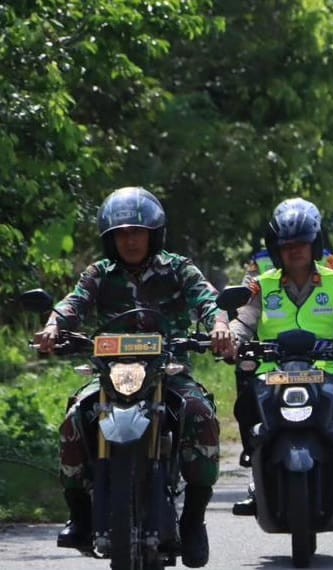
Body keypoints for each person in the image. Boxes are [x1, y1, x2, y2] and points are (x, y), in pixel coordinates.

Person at [33, 187, 233, 568]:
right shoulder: (98, 273)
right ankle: (80, 516)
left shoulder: (179, 268)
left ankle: (193, 521)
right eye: (122, 233)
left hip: (168, 372)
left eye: (138, 232)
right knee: (73, 420)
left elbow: (208, 300)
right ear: (111, 238)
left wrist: (220, 326)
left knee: (201, 414)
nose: (130, 239)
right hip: (110, 374)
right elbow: (72, 304)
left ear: (153, 234)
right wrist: (53, 326)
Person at [225, 198, 333, 514]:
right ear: (276, 248)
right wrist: (232, 340)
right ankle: (256, 472)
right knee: (246, 402)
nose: (295, 250)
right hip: (273, 371)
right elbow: (244, 319)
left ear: (315, 244)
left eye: (302, 244)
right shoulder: (261, 286)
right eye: (287, 245)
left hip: (326, 369)